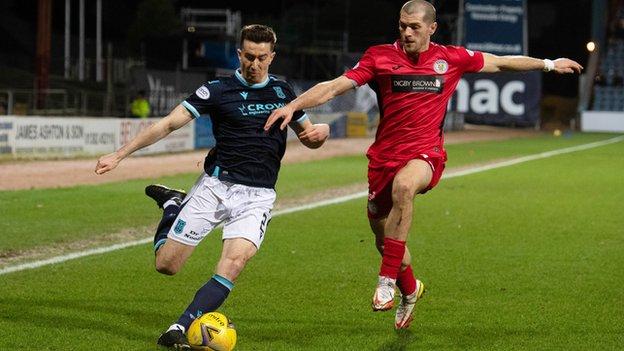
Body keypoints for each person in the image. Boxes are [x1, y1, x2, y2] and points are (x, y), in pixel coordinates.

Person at [263, 0, 583, 330]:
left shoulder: (451, 58)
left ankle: (386, 280)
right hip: (383, 159)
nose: (406, 32)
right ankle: (410, 289)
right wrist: (294, 106)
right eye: (402, 25)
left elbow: (501, 63)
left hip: (426, 156)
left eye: (414, 27)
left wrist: (548, 63)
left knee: (405, 187)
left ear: (431, 28)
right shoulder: (380, 57)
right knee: (383, 239)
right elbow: (334, 87)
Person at [95, 24, 330, 349]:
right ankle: (173, 205)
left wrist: (320, 135)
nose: (255, 64)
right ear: (239, 54)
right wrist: (119, 155)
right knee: (167, 265)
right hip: (215, 187)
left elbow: (308, 136)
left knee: (234, 262)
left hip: (258, 196)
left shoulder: (284, 92)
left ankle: (180, 326)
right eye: (249, 56)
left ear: (272, 57)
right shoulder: (217, 90)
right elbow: (167, 123)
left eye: (262, 57)